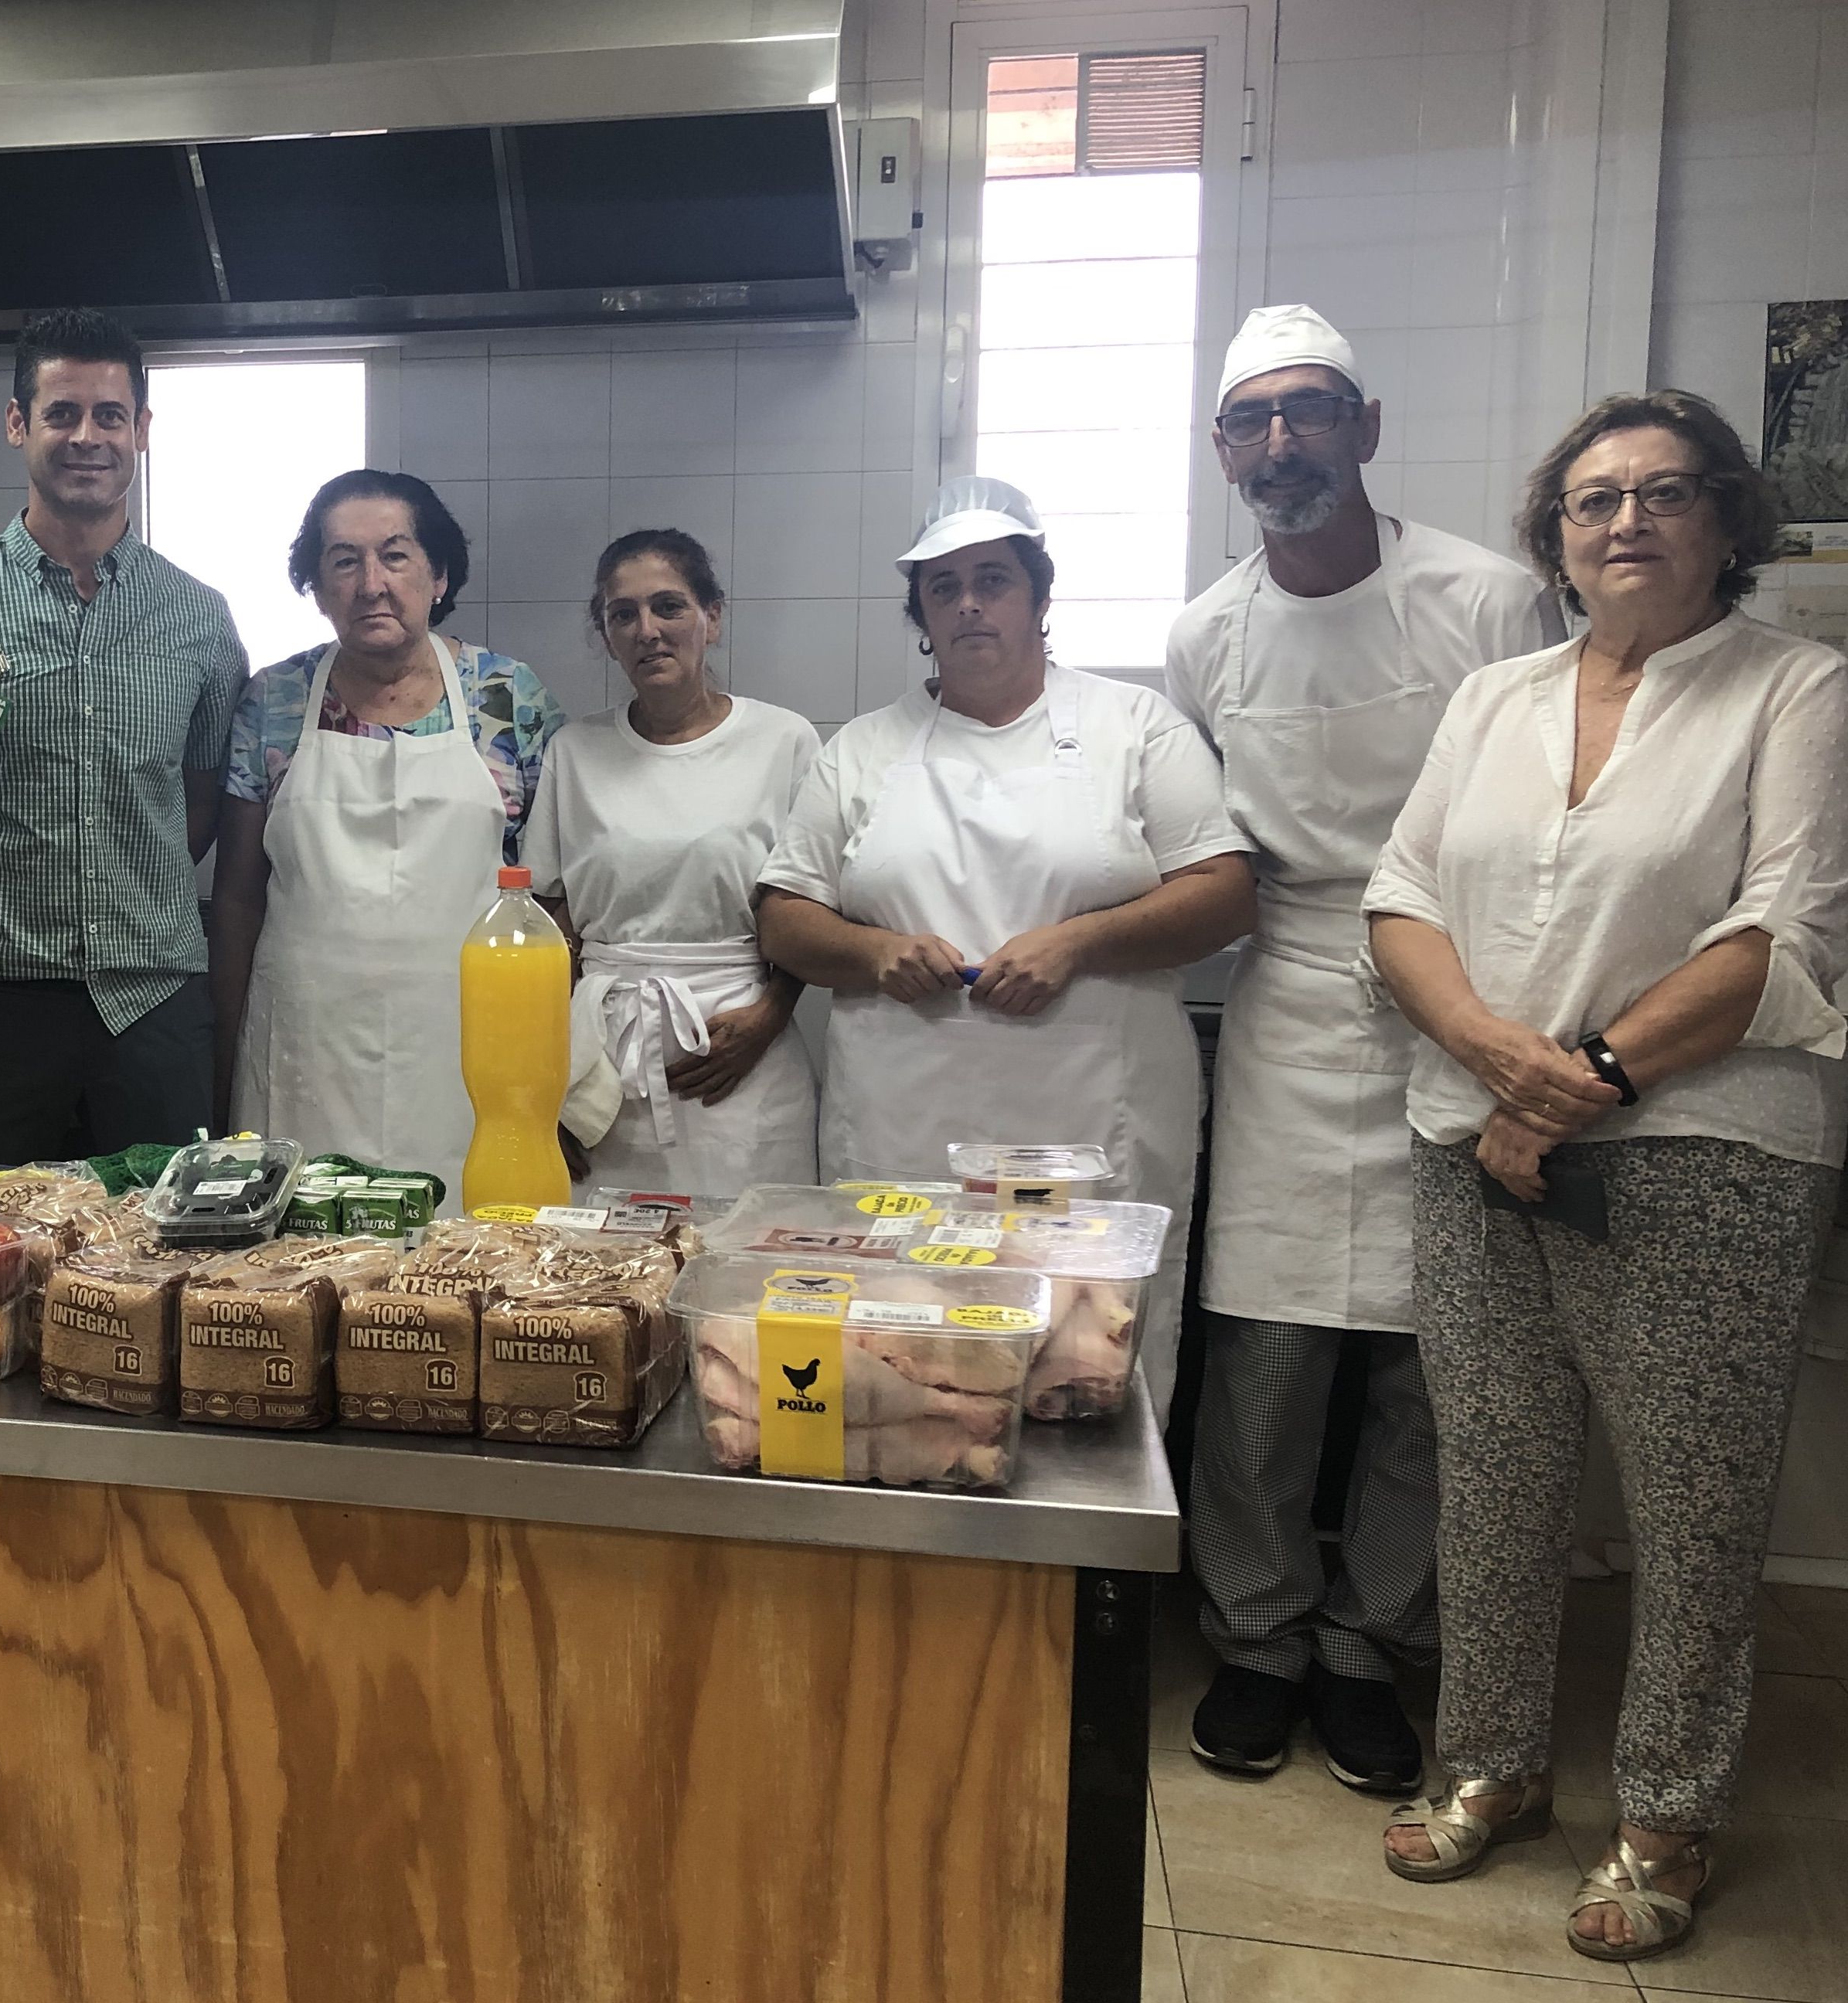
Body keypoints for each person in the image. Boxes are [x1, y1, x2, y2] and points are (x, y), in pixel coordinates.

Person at [1365, 390, 1847, 1964]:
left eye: (1658, 492)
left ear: (1724, 523)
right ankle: (1489, 1764)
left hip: (1699, 1159)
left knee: (1689, 1507)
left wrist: (1578, 1084)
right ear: (1551, 539)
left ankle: (1662, 1810)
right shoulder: (1493, 697)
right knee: (1493, 1482)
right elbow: (1397, 899)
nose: (1621, 520)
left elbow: (1779, 937)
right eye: (1589, 500)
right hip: (1473, 1152)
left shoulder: (1794, 690)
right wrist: (1495, 1067)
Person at [1165, 307, 1568, 1793]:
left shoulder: (1487, 596)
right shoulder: (1202, 632)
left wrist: (1498, 1020)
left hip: (1463, 989)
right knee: (1263, 1353)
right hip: (1285, 998)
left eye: (1310, 411)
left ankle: (1365, 1641)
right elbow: (1214, 839)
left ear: (1365, 426)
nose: (1283, 442)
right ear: (1223, 453)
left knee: (1423, 1359)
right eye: (1254, 420)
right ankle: (1258, 1636)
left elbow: (1535, 818)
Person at [755, 477, 1255, 1420]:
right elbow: (783, 915)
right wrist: (874, 955)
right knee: (903, 1366)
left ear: (1037, 597)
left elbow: (1224, 894)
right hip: (904, 1125)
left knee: (1088, 1362)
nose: (968, 604)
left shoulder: (1134, 727)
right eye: (942, 588)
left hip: (1085, 1126)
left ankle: (1098, 1564)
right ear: (920, 615)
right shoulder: (861, 751)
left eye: (992, 579)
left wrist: (1077, 942)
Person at [0, 308, 247, 1161]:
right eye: (61, 413)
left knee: (163, 1263)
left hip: (154, 1008)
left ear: (142, 431)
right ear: (18, 424)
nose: (87, 436)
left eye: (109, 415)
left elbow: (197, 808)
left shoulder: (199, 620)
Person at [210, 468, 563, 1198]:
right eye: (343, 560)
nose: (371, 582)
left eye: (395, 555)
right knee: (300, 1258)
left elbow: (554, 904)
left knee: (467, 1253)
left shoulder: (507, 697)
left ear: (438, 574)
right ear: (314, 583)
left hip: (471, 1046)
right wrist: (220, 1053)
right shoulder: (272, 701)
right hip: (305, 1046)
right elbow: (239, 898)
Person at [525, 529, 819, 1200]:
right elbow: (551, 923)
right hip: (601, 1065)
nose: (646, 630)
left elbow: (811, 902)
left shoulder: (782, 741)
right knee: (598, 1282)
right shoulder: (575, 751)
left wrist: (769, 1016)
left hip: (738, 1059)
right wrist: (548, 1084)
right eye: (621, 615)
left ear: (711, 618)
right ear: (605, 634)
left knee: (741, 1267)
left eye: (669, 607)